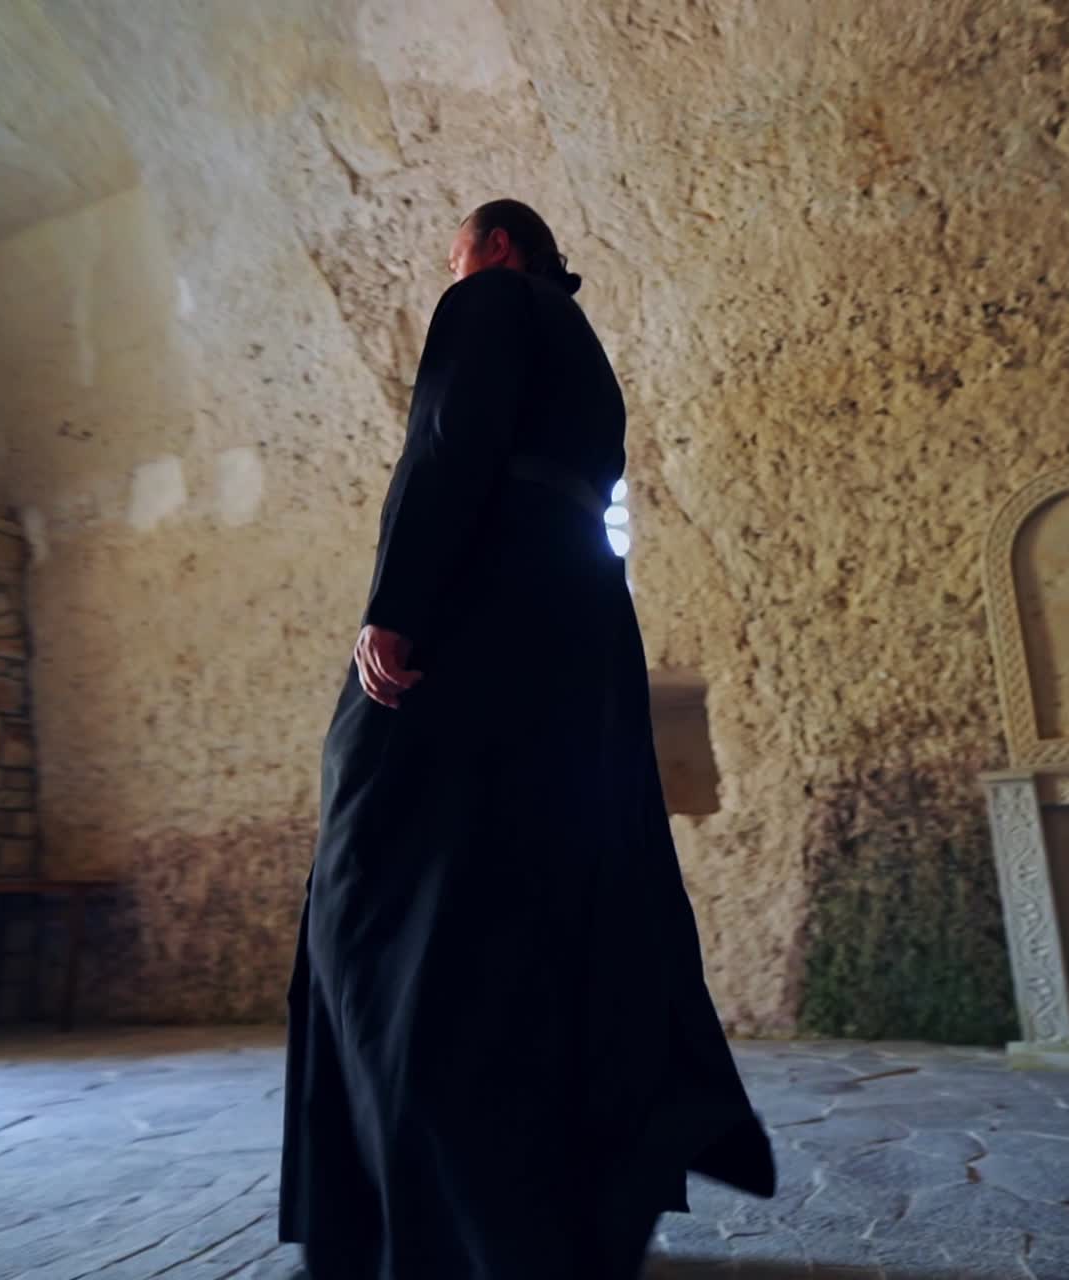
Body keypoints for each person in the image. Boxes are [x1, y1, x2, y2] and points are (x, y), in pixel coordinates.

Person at [279, 199, 775, 1279]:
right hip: (576, 624)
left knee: (381, 874)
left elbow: (448, 444)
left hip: (482, 615)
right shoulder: (582, 351)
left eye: (453, 253)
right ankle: (543, 1198)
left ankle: (407, 1199)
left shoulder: (490, 300)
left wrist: (396, 602)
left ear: (497, 247)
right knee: (533, 887)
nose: (448, 271)